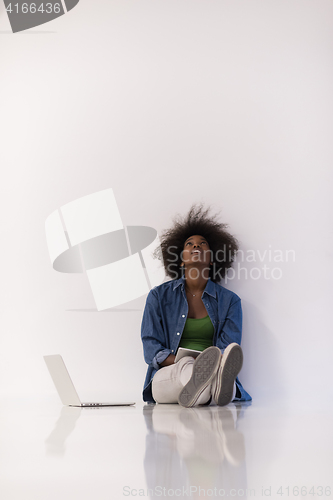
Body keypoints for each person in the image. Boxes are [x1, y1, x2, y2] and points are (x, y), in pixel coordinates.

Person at [141, 203, 252, 407]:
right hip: (171, 373)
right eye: (189, 244)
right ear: (181, 260)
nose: (196, 247)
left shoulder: (230, 301)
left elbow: (228, 350)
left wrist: (212, 364)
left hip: (214, 368)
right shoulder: (158, 297)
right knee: (187, 368)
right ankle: (217, 389)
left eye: (203, 244)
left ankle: (208, 389)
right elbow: (151, 348)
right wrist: (186, 362)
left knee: (204, 380)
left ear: (211, 259)